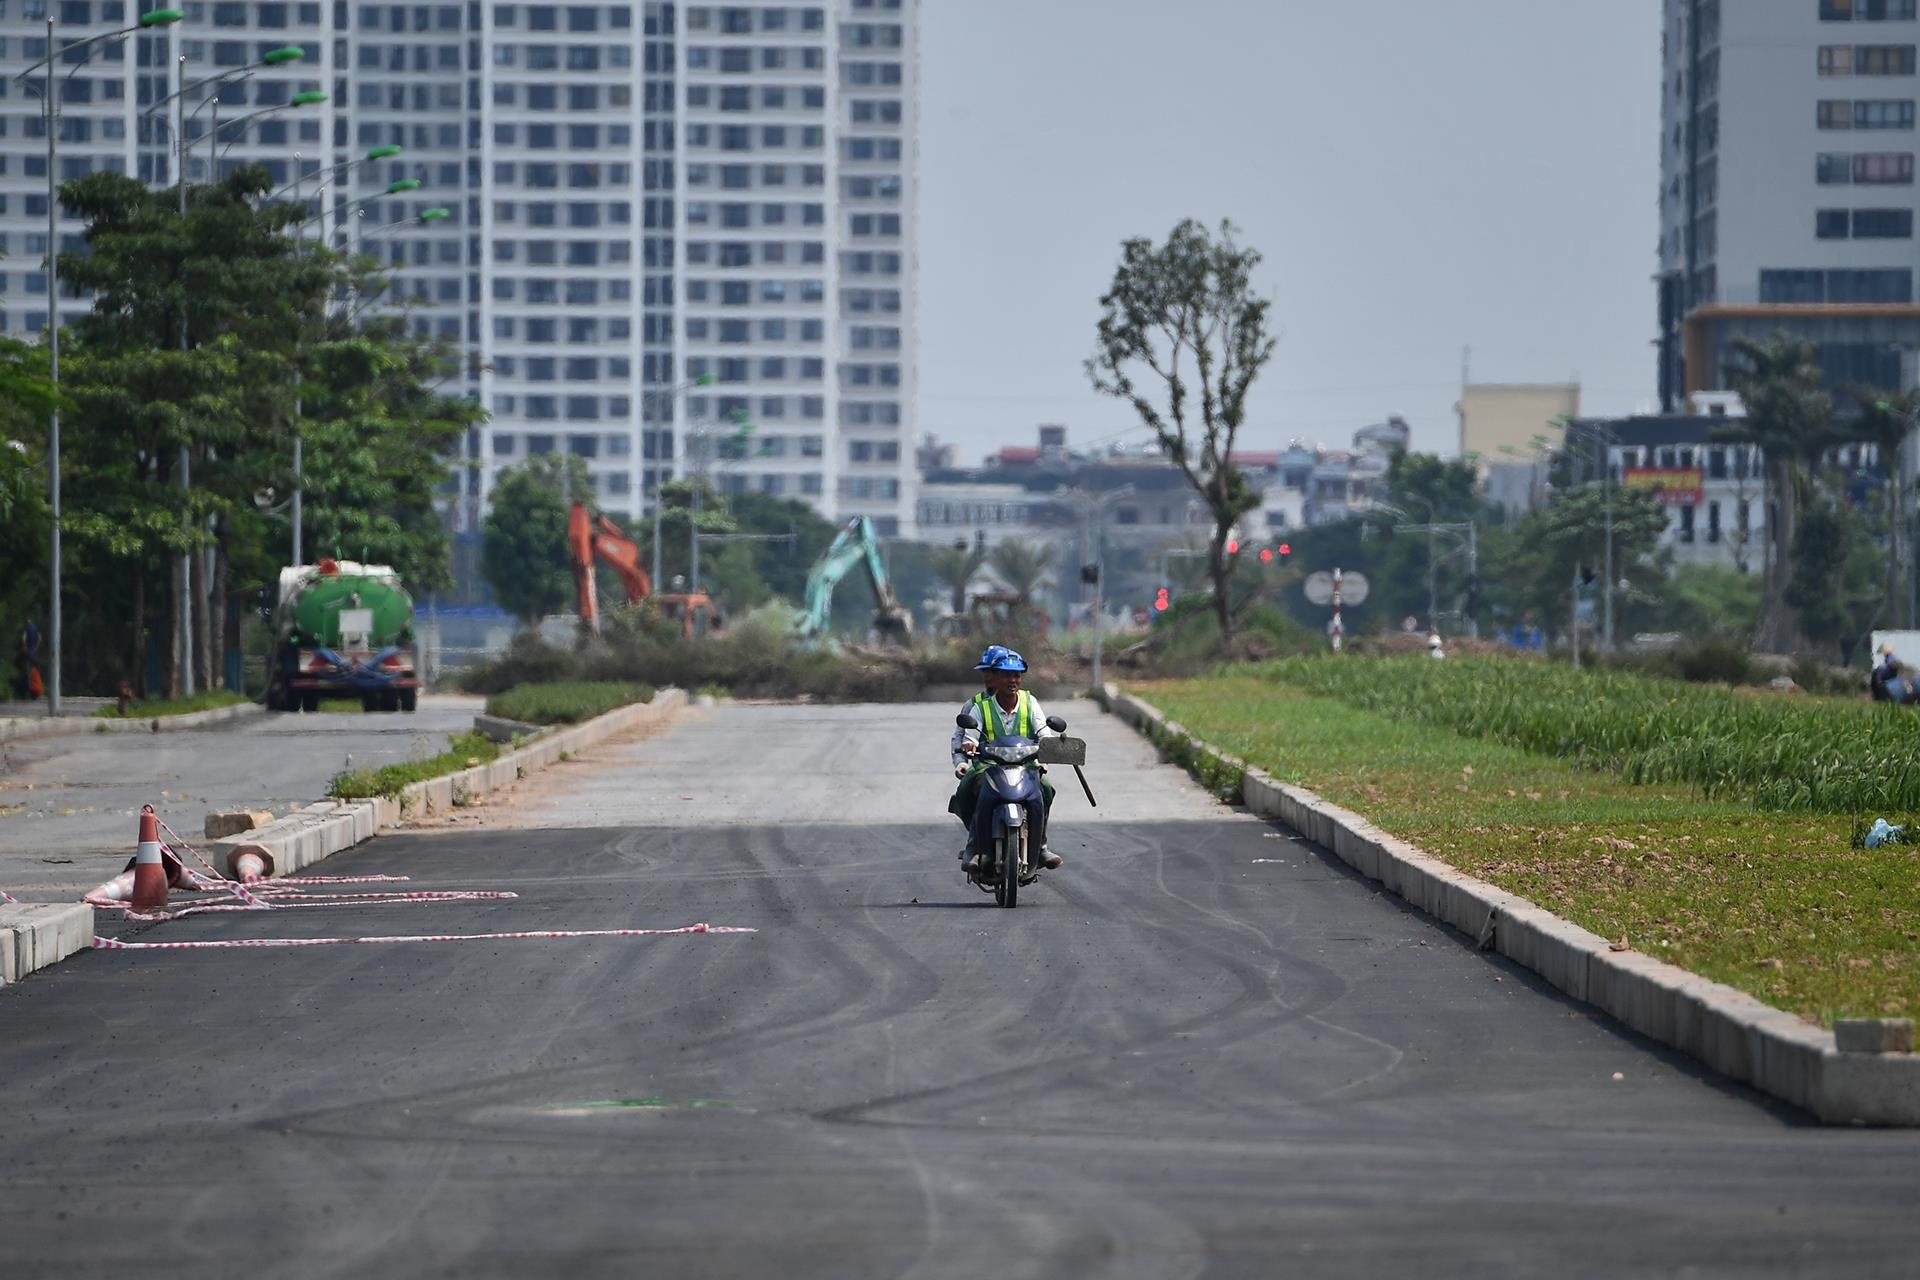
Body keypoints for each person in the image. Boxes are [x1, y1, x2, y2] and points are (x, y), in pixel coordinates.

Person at [948, 644, 1062, 875]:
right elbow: (965, 737)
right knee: (968, 788)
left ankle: (1040, 846)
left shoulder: (1030, 703)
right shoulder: (978, 707)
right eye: (1005, 675)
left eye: (1016, 675)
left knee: (1047, 789)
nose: (1012, 680)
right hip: (989, 766)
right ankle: (975, 846)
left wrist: (1045, 753)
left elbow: (1044, 733)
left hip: (1025, 765)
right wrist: (966, 753)